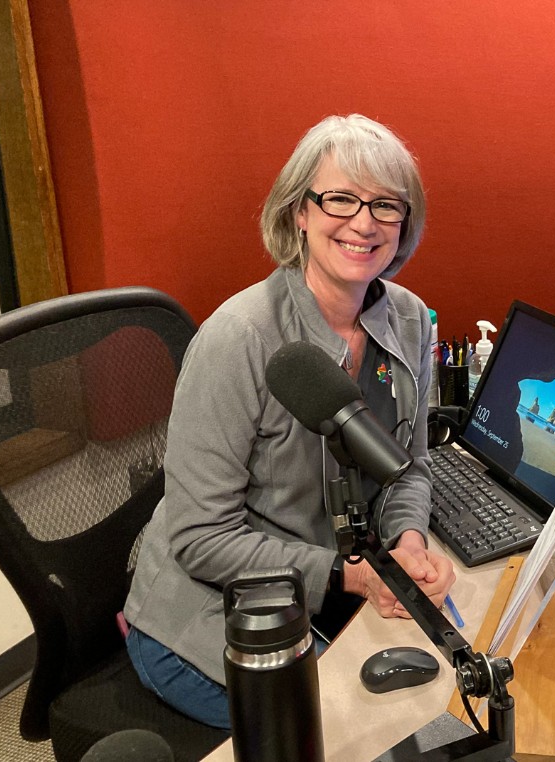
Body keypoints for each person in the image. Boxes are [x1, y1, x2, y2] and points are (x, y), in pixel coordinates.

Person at [123, 114, 456, 728]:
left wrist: (409, 541)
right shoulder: (239, 338)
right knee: (371, 735)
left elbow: (409, 468)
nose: (364, 222)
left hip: (330, 588)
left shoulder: (410, 319)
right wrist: (346, 575)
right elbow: (200, 538)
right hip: (215, 613)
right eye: (340, 198)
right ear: (299, 212)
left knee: (447, 705)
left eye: (387, 205)